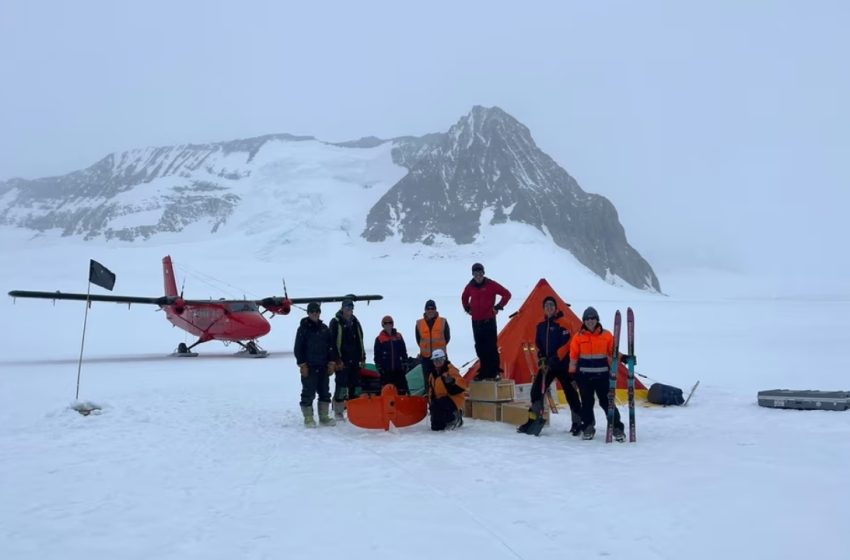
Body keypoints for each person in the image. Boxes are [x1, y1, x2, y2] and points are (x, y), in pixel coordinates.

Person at [518, 296, 583, 436]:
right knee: (536, 391)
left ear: (556, 307)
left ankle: (578, 422)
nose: (549, 308)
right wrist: (541, 357)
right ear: (544, 309)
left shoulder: (565, 323)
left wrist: (554, 358)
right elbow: (539, 345)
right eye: (546, 305)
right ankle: (534, 419)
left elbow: (567, 344)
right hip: (547, 366)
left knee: (570, 392)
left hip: (563, 365)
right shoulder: (541, 326)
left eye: (551, 305)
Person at [568, 306, 625, 441]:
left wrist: (625, 358)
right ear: (584, 321)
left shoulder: (606, 335)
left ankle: (616, 427)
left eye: (593, 318)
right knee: (587, 403)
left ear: (597, 319)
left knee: (607, 402)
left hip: (602, 376)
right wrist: (572, 374)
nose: (590, 321)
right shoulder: (578, 337)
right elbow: (573, 357)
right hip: (584, 377)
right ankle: (588, 426)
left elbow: (613, 352)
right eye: (587, 319)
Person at [461, 262, 511, 380]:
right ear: (472, 274)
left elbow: (507, 294)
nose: (478, 275)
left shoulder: (490, 284)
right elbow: (464, 297)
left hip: (489, 321)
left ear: (483, 273)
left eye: (480, 272)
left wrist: (498, 307)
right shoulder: (470, 286)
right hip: (476, 322)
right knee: (480, 347)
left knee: (491, 347)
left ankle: (495, 371)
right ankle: (484, 371)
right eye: (475, 273)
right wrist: (467, 308)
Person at [293, 302, 338, 427]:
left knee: (324, 392)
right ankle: (308, 418)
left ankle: (324, 417)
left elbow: (331, 347)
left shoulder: (324, 329)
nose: (315, 314)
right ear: (308, 313)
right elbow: (298, 348)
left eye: (317, 311)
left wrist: (331, 362)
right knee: (308, 393)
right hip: (310, 367)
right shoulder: (303, 329)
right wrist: (302, 365)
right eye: (312, 311)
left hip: (323, 366)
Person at [328, 299, 366, 420]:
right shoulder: (335, 322)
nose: (349, 311)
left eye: (351, 309)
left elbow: (360, 339)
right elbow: (332, 343)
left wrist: (362, 356)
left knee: (355, 387)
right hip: (342, 360)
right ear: (342, 308)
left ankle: (354, 411)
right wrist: (337, 359)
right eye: (347, 308)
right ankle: (338, 412)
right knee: (341, 386)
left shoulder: (355, 322)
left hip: (354, 360)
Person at [427, 348, 468, 431]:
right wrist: (431, 404)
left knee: (440, 404)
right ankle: (444, 419)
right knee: (436, 427)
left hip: (453, 399)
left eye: (440, 360)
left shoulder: (451, 370)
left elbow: (463, 386)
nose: (437, 363)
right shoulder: (432, 375)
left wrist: (452, 382)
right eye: (435, 361)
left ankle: (456, 416)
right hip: (439, 401)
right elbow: (431, 391)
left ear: (444, 359)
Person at [373, 315, 410, 394]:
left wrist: (405, 362)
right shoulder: (379, 339)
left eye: (390, 323)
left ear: (392, 324)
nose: (388, 325)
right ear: (383, 325)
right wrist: (379, 367)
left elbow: (403, 351)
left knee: (402, 391)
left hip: (398, 370)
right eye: (386, 323)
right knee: (387, 392)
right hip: (386, 372)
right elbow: (377, 355)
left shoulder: (398, 337)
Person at [415, 299, 450, 376]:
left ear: (435, 309)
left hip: (440, 358)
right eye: (428, 308)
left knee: (443, 380)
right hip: (426, 358)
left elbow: (447, 338)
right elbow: (418, 340)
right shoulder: (419, 323)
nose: (430, 310)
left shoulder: (443, 321)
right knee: (428, 380)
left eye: (432, 308)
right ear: (425, 310)